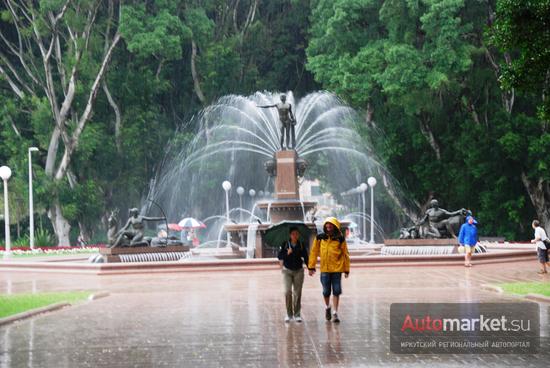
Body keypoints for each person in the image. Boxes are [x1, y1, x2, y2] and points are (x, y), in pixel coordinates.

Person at [308, 217, 350, 323]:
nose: (328, 227)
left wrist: (346, 269)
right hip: (325, 269)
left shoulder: (340, 239)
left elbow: (345, 254)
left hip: (337, 269)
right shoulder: (320, 238)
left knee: (336, 290)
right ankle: (328, 307)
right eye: (327, 225)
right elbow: (313, 252)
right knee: (326, 291)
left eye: (330, 225)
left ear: (335, 227)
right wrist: (311, 267)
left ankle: (335, 312)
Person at [278, 227, 308, 323]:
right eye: (293, 234)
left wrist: (311, 268)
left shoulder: (301, 244)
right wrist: (287, 253)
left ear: (298, 235)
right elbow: (280, 256)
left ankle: (297, 314)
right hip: (287, 271)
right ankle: (289, 314)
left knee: (297, 293)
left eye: (296, 234)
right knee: (287, 292)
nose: (295, 235)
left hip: (298, 271)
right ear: (290, 235)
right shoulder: (285, 244)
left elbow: (306, 257)